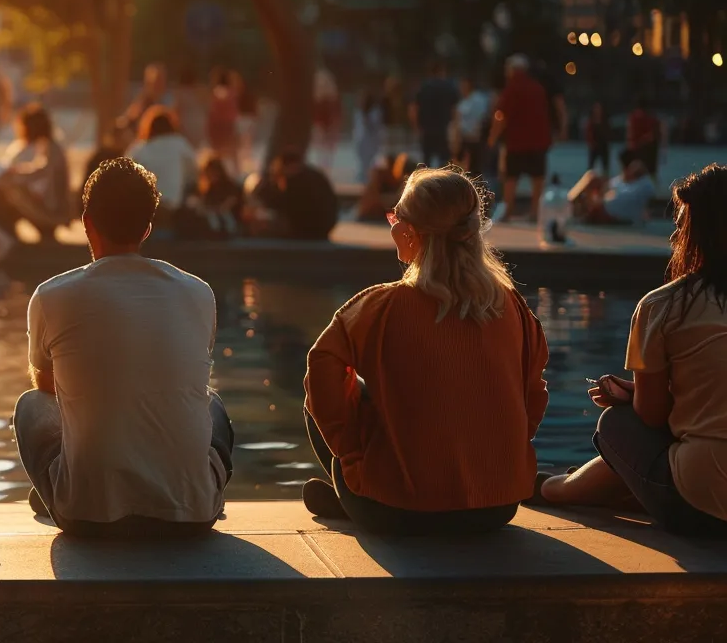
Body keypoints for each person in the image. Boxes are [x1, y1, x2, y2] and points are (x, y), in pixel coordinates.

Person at [302, 167, 548, 535]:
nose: (391, 226)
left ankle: (355, 495)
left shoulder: (381, 307)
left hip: (399, 512)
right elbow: (533, 394)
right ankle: (356, 495)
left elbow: (319, 367)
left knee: (335, 389)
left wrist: (351, 452)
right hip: (496, 508)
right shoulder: (513, 307)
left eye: (395, 216)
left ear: (412, 232)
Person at [14, 157, 233, 537]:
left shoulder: (51, 296)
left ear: (87, 223)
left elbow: (47, 389)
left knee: (31, 407)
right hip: (192, 517)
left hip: (87, 516)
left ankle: (63, 486)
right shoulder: (199, 293)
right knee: (212, 402)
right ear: (147, 229)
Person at [536, 165, 727, 536]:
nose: (674, 235)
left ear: (693, 232)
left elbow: (652, 417)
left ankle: (551, 489)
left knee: (617, 424)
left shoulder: (665, 305)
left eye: (681, 225)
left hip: (703, 509)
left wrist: (636, 399)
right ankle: (558, 487)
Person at [0, 103, 72, 242]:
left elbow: (41, 172)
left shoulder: (52, 149)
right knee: (10, 186)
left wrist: (15, 174)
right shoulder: (50, 146)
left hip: (53, 208)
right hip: (53, 204)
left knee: (10, 189)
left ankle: (6, 236)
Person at [490, 55, 553, 223]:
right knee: (537, 178)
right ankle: (534, 213)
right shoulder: (537, 87)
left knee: (511, 177)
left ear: (513, 70)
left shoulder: (512, 88)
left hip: (516, 142)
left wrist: (493, 137)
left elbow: (501, 115)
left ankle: (508, 212)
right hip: (538, 141)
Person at [248, 151, 339, 241]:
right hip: (320, 230)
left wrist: (260, 192)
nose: (278, 179)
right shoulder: (315, 177)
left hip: (303, 232)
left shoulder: (296, 182)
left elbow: (282, 202)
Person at [128, 106, 196, 224]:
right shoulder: (180, 145)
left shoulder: (140, 149)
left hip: (146, 211)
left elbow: (126, 173)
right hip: (173, 208)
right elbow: (194, 174)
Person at [579, 149, 658, 226]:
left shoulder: (643, 184)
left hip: (613, 209)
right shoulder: (624, 182)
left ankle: (583, 209)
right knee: (592, 177)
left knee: (592, 178)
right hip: (611, 206)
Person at [410, 62, 459, 168]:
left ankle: (426, 183)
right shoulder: (448, 87)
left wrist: (416, 127)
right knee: (445, 162)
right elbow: (454, 110)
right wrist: (455, 127)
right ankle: (444, 183)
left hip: (426, 130)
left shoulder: (423, 87)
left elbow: (413, 109)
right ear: (441, 71)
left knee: (426, 160)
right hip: (443, 130)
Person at [206, 67, 243, 175]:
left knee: (218, 155)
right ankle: (237, 174)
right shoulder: (232, 93)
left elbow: (213, 112)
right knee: (233, 154)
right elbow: (234, 112)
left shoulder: (216, 92)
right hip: (229, 126)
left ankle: (217, 175)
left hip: (218, 127)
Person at [453, 77, 492, 177]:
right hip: (473, 138)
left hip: (472, 138)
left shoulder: (471, 102)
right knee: (474, 168)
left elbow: (459, 123)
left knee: (468, 167)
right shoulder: (474, 100)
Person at [351, 91, 386, 185]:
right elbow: (357, 127)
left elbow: (375, 126)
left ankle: (368, 180)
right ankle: (362, 179)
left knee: (371, 162)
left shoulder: (375, 113)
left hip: (371, 142)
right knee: (362, 162)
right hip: (361, 141)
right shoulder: (359, 113)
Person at [309, 69, 341, 172]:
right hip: (321, 124)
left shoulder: (330, 101)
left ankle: (325, 168)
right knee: (322, 149)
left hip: (325, 124)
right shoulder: (320, 101)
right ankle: (323, 168)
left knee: (326, 149)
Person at [627, 99, 662, 180]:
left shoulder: (634, 117)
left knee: (642, 171)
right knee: (649, 171)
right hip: (647, 148)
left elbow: (631, 134)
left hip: (642, 148)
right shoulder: (651, 117)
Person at [585, 102, 610, 177]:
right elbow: (588, 133)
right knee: (591, 166)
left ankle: (605, 178)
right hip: (594, 145)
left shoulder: (604, 120)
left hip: (603, 144)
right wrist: (590, 143)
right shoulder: (591, 121)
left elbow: (608, 131)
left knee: (605, 165)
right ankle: (589, 179)